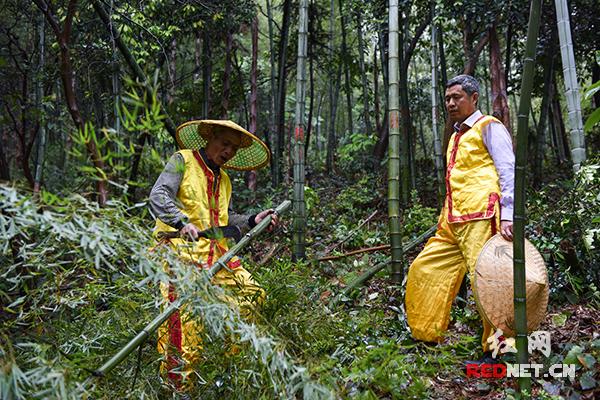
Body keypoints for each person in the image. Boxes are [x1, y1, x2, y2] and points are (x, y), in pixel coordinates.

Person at [148, 119, 277, 388]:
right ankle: (178, 389)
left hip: (219, 258)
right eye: (225, 143)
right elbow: (159, 195)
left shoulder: (224, 179)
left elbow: (225, 218)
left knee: (253, 297)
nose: (228, 151)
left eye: (234, 148)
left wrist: (254, 219)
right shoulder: (182, 160)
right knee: (184, 330)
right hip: (181, 258)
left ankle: (226, 370)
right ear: (210, 138)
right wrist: (182, 222)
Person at [405, 74, 515, 357]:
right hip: (452, 218)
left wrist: (509, 214)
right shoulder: (455, 134)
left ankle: (500, 350)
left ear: (474, 98)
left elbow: (507, 169)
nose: (451, 103)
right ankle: (426, 334)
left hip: (482, 213)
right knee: (424, 268)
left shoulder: (489, 126)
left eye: (457, 97)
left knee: (486, 283)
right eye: (447, 98)